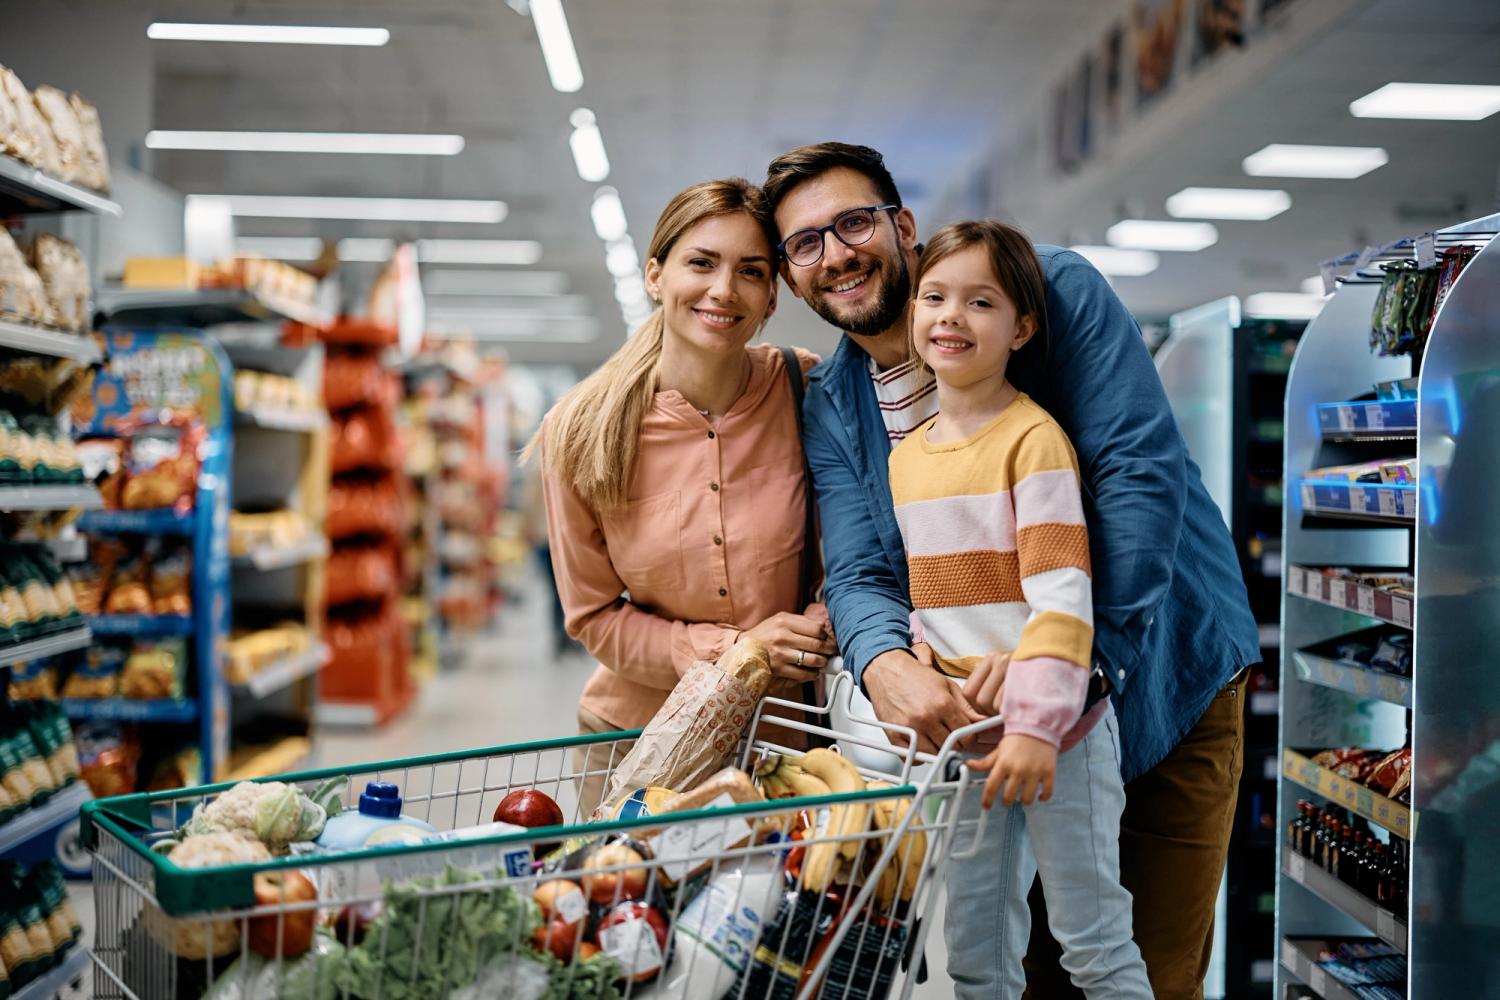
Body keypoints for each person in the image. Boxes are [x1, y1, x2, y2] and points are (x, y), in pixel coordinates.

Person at [765, 142, 1259, 999]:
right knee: (1007, 965)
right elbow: (858, 571)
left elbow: (1135, 474)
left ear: (901, 226)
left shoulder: (1041, 289)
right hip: (990, 734)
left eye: (853, 223)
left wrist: (1068, 672)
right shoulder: (836, 404)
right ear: (791, 275)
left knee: (1139, 964)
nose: (835, 254)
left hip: (1163, 678)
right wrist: (887, 668)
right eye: (805, 243)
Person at [891, 219, 1153, 998]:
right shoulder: (907, 457)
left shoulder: (1032, 441)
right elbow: (933, 599)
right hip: (969, 744)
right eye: (934, 296)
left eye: (980, 302)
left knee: (1093, 942)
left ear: (1022, 327)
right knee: (974, 944)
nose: (950, 316)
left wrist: (1038, 729)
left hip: (1058, 741)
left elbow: (1063, 595)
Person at [530, 177, 836, 816]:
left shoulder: (806, 391)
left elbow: (855, 554)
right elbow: (593, 617)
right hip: (638, 746)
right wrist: (736, 653)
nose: (723, 289)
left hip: (788, 752)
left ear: (770, 298)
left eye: (750, 271)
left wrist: (825, 620)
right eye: (701, 262)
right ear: (655, 274)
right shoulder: (582, 429)